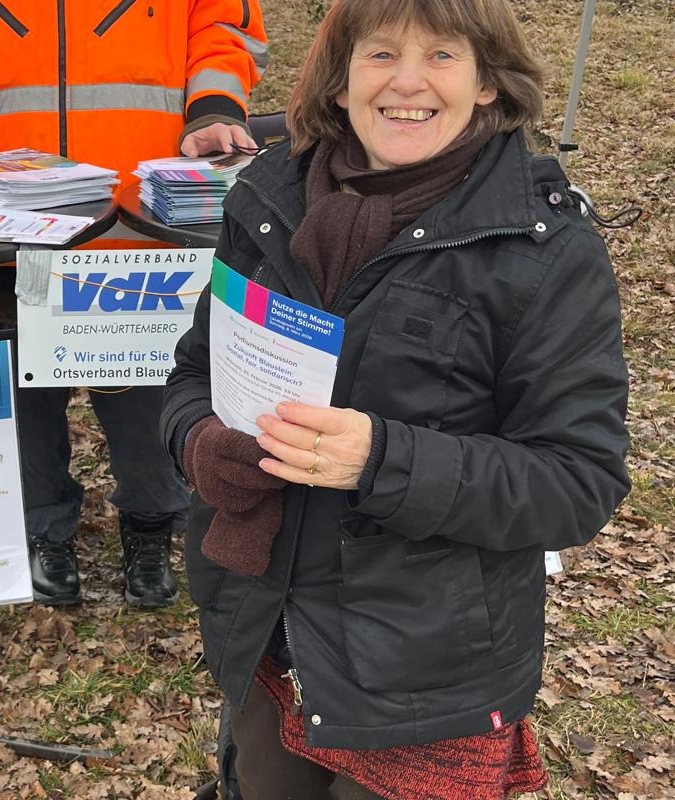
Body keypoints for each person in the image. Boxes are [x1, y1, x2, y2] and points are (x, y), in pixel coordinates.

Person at [160, 0, 630, 797]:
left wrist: (382, 460)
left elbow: (577, 482)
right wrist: (198, 442)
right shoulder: (270, 198)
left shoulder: (544, 251)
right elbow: (191, 377)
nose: (406, 82)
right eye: (380, 55)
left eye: (442, 56)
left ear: (487, 82)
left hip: (426, 673)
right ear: (340, 81)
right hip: (261, 626)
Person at [0, 1, 268, 608]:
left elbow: (221, 26)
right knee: (22, 407)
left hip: (136, 229)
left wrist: (213, 109)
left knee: (146, 404)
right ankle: (44, 532)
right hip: (0, 227)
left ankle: (151, 528)